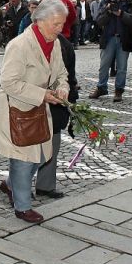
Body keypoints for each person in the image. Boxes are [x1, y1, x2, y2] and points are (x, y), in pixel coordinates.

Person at [0, 0, 69, 223]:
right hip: (17, 110)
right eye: (56, 24)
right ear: (40, 20)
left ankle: (10, 184)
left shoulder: (53, 43)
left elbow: (61, 73)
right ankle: (22, 207)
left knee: (39, 157)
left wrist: (62, 88)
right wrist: (43, 94)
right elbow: (8, 82)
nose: (60, 29)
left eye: (62, 24)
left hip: (37, 111)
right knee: (24, 160)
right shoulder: (20, 45)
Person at [35, 31, 78, 198]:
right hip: (31, 102)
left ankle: (45, 185)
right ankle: (13, 185)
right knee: (28, 146)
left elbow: (69, 75)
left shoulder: (64, 44)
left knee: (53, 143)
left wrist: (70, 96)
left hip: (56, 104)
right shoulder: (26, 42)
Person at [89, 0, 132, 102]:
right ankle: (101, 87)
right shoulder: (107, 3)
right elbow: (99, 21)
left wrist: (121, 14)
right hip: (108, 38)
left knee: (121, 68)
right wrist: (108, 11)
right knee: (103, 66)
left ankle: (119, 90)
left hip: (124, 39)